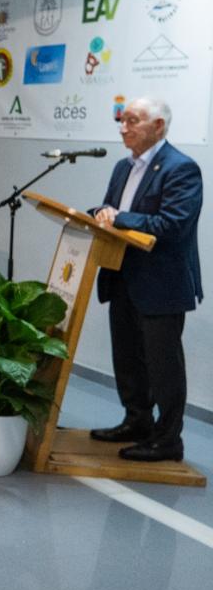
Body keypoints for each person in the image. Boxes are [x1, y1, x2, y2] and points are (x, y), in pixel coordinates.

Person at [90, 97, 202, 462]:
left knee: (163, 366)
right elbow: (110, 210)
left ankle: (168, 440)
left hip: (161, 284)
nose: (123, 127)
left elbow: (173, 224)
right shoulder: (123, 168)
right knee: (128, 359)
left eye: (132, 121)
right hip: (122, 276)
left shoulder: (181, 168)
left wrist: (119, 217)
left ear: (158, 126)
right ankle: (137, 421)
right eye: (121, 120)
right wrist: (99, 214)